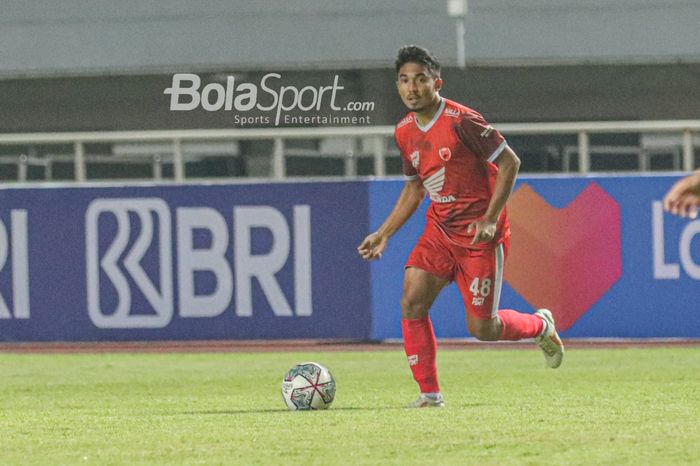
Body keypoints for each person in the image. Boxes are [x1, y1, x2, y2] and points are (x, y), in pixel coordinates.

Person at [357, 45, 564, 408]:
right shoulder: (404, 131)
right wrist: (383, 233)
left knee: (483, 329)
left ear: (437, 82)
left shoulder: (462, 121)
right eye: (404, 80)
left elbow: (510, 163)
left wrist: (490, 218)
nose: (412, 88)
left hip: (479, 236)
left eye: (420, 79)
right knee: (411, 301)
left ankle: (540, 325)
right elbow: (414, 187)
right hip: (440, 231)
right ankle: (429, 394)